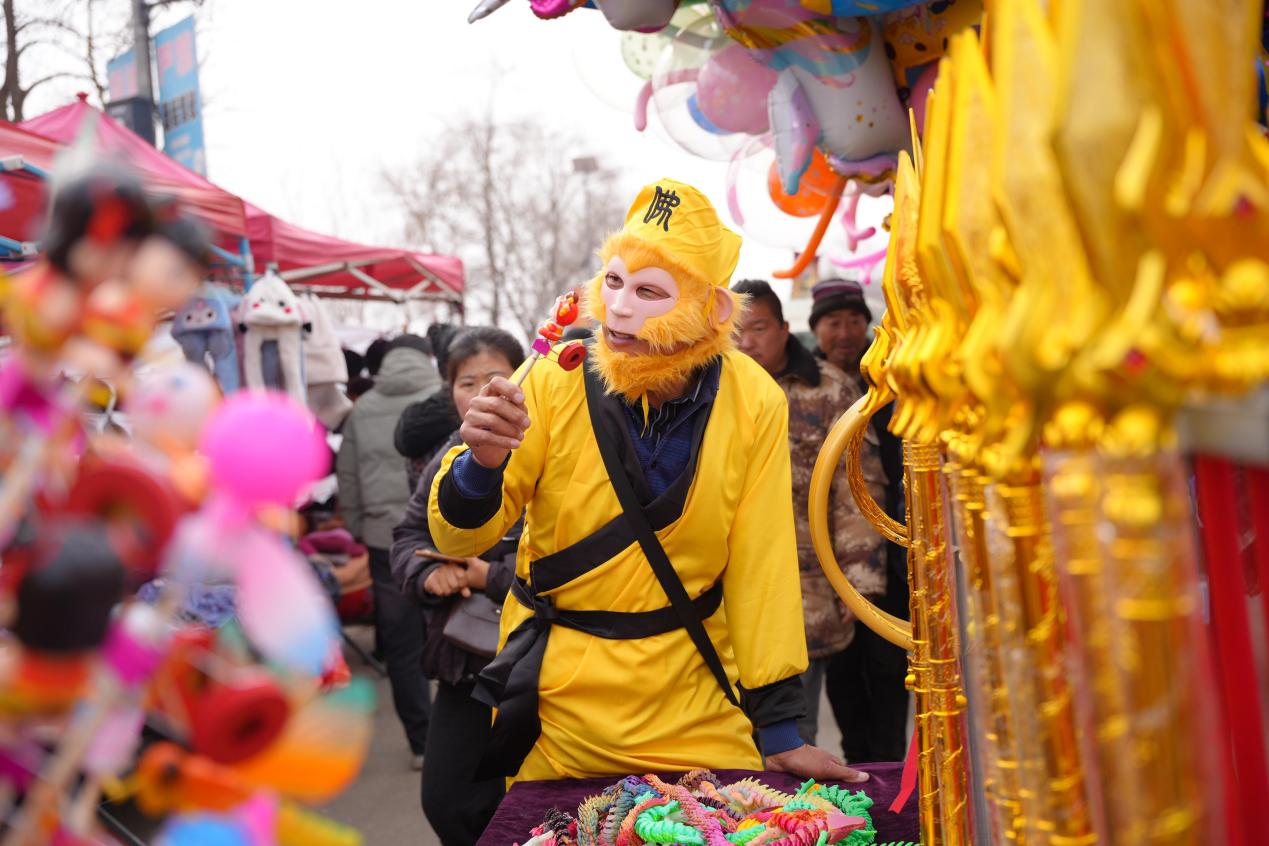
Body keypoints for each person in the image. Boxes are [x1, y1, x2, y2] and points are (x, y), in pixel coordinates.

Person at [426, 178, 867, 785]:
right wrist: (480, 466)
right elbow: (460, 539)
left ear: (712, 311)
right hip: (559, 704)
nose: (618, 307)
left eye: (648, 291)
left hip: (697, 696)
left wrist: (781, 730)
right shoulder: (553, 376)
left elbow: (761, 562)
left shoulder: (754, 398)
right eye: (613, 281)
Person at [733, 279, 887, 747]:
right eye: (736, 331)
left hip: (804, 593)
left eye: (758, 328)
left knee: (793, 735)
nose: (746, 342)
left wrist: (859, 585)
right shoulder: (711, 391)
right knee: (730, 736)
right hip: (721, 595)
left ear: (784, 329)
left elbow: (855, 490)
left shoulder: (830, 390)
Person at [390, 327, 526, 846]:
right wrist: (428, 574)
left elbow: (577, 557)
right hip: (466, 661)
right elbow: (408, 536)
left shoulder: (553, 446)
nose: (481, 391)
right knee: (447, 801)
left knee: (533, 802)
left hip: (538, 665)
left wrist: (489, 576)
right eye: (466, 382)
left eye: (495, 376)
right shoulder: (450, 455)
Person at [807, 278, 910, 764]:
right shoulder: (808, 387)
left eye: (854, 321)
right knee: (844, 681)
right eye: (833, 322)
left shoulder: (893, 382)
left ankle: (891, 770)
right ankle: (858, 767)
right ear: (816, 329)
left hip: (895, 557)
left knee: (891, 674)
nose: (845, 333)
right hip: (830, 566)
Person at [336, 335, 440, 768]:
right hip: (443, 533)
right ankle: (464, 737)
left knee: (402, 644)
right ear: (426, 358)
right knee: (460, 632)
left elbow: (347, 477)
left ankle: (422, 743)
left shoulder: (362, 410)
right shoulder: (444, 396)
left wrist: (361, 528)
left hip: (386, 538)